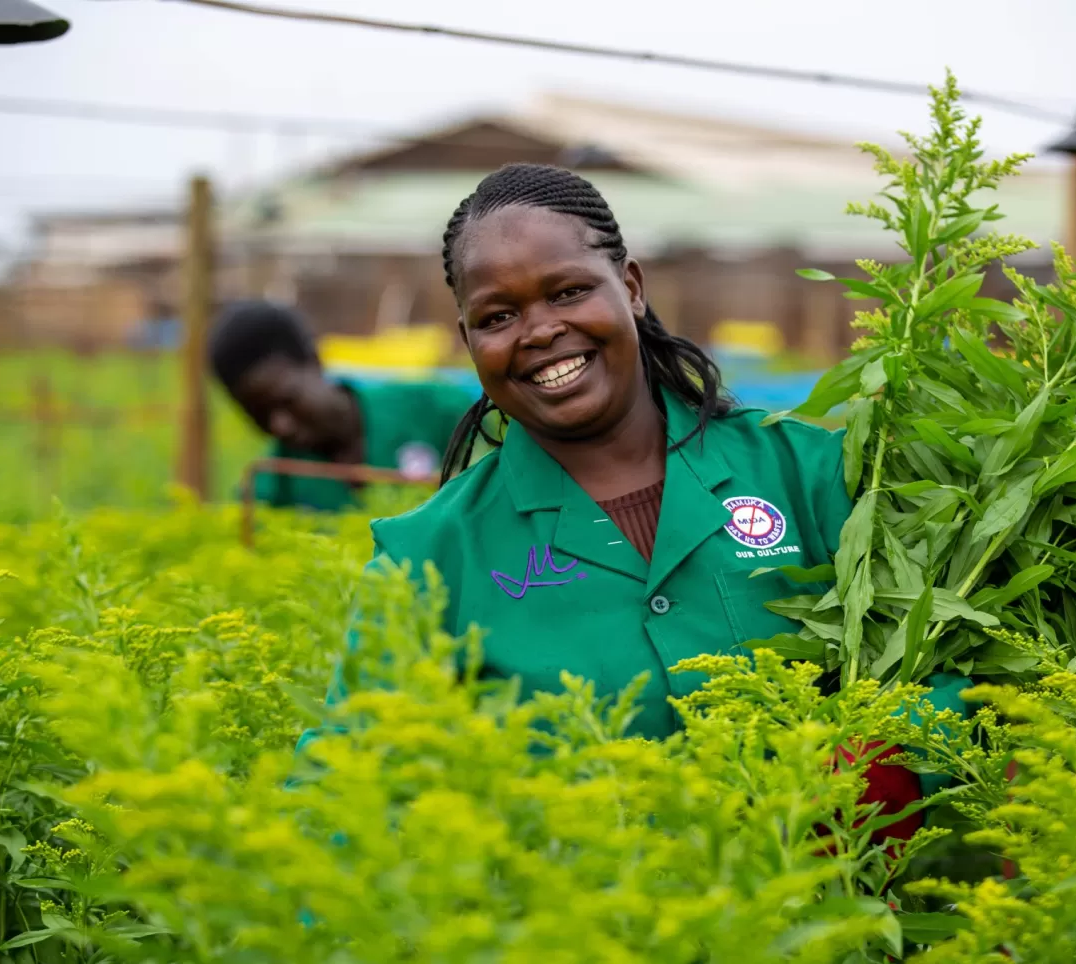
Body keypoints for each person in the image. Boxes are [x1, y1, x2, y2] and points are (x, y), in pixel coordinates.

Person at [339, 164, 968, 838]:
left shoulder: (808, 474)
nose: (540, 330)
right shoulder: (428, 556)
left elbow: (962, 664)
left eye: (569, 291)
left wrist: (886, 762)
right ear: (470, 344)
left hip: (829, 924)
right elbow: (345, 785)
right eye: (498, 316)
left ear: (631, 288)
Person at [209, 300, 473, 511]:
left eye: (287, 400)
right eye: (258, 416)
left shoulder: (438, 409)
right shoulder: (273, 482)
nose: (280, 426)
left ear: (314, 361)